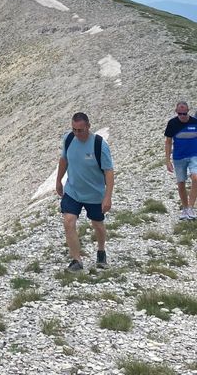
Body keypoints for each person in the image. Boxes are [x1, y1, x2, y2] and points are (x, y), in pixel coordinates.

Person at [55, 112, 114, 272]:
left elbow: (109, 171)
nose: (77, 133)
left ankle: (101, 252)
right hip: (73, 190)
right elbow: (64, 160)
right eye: (74, 129)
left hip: (94, 194)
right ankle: (76, 260)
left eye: (80, 130)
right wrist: (59, 180)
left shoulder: (99, 145)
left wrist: (107, 197)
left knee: (97, 224)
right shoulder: (68, 139)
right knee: (68, 221)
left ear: (88, 126)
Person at [164, 101, 197, 220]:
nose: (182, 116)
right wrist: (167, 160)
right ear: (176, 112)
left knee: (196, 178)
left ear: (188, 111)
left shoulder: (196, 122)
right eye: (180, 113)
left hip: (195, 155)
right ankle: (184, 208)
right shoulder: (172, 123)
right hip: (179, 157)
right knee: (181, 183)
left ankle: (191, 207)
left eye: (185, 113)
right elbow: (168, 142)